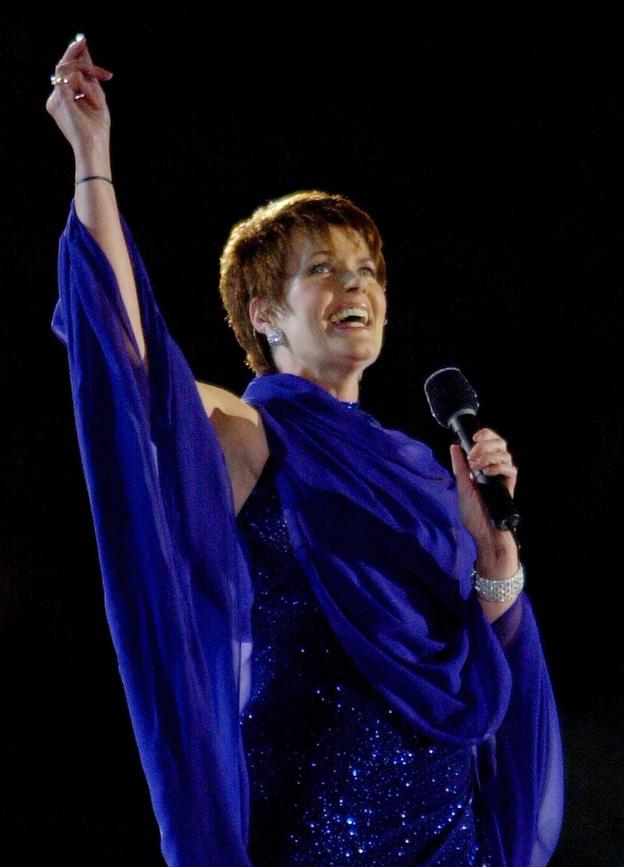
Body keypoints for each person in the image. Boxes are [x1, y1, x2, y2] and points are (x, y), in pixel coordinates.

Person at [46, 35, 564, 867]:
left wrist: (496, 555)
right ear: (263, 314)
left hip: (445, 830)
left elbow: (484, 644)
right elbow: (132, 366)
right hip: (312, 827)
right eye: (322, 268)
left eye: (367, 270)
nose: (355, 285)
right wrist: (93, 161)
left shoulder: (431, 471)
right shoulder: (250, 433)